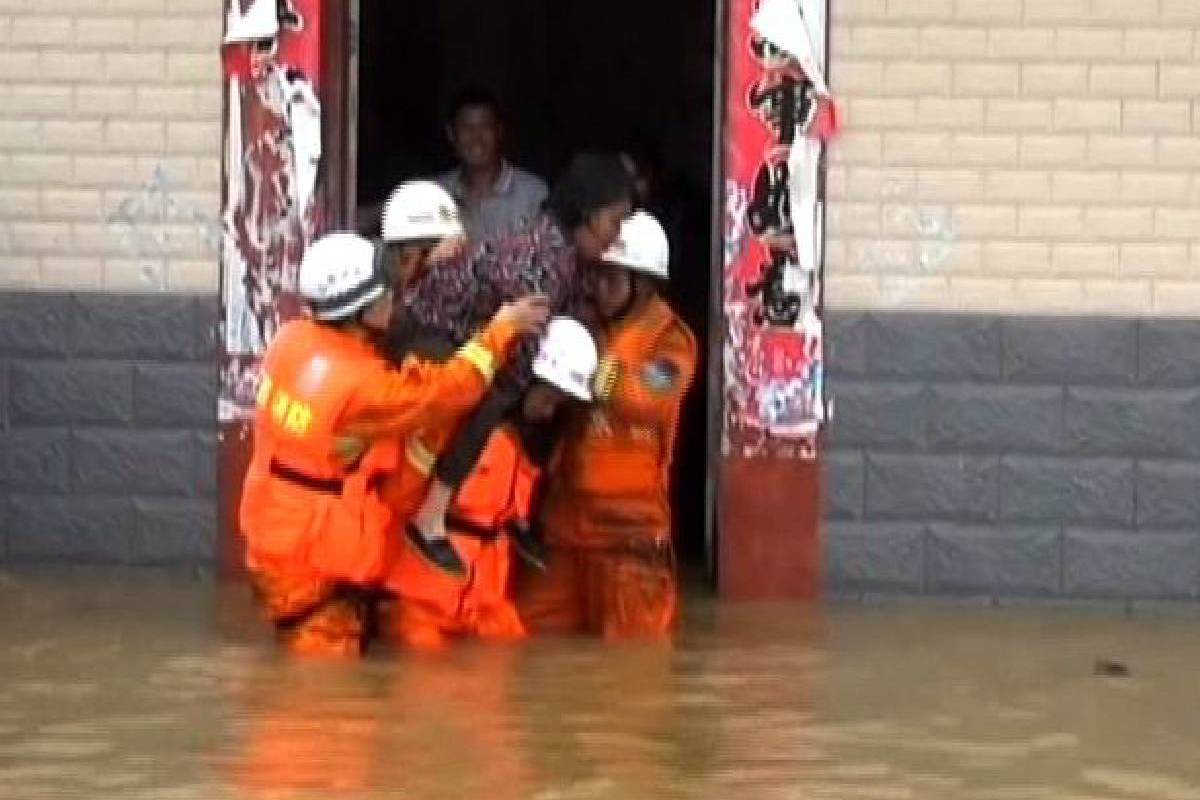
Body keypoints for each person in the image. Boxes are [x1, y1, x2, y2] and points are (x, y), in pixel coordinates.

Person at [238, 182, 549, 657]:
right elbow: (448, 393)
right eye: (385, 294)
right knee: (322, 713)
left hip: (275, 548)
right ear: (362, 307)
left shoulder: (292, 343)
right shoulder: (363, 386)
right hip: (314, 572)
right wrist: (502, 330)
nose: (393, 300)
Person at [394, 152, 633, 576]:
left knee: (561, 392)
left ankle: (517, 511)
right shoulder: (544, 261)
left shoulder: (571, 258)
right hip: (427, 332)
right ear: (588, 214)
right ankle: (430, 515)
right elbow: (516, 358)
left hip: (482, 338)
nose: (616, 237)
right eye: (614, 222)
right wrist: (531, 400)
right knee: (490, 397)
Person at [518, 212, 697, 640]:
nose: (596, 286)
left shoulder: (670, 341)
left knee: (631, 676)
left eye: (609, 277)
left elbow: (648, 399)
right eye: (595, 275)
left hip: (627, 540)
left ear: (644, 283)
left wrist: (590, 372)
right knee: (524, 639)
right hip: (567, 531)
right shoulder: (586, 327)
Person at [373, 317, 599, 651]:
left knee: (511, 660)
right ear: (531, 378)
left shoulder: (528, 445)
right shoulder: (459, 423)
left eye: (560, 403)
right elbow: (398, 498)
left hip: (486, 602)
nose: (551, 412)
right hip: (424, 601)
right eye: (550, 398)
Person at [437, 86, 548, 242]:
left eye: (485, 126)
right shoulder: (436, 194)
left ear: (499, 131)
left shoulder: (533, 194)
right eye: (466, 128)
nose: (476, 138)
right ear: (451, 133)